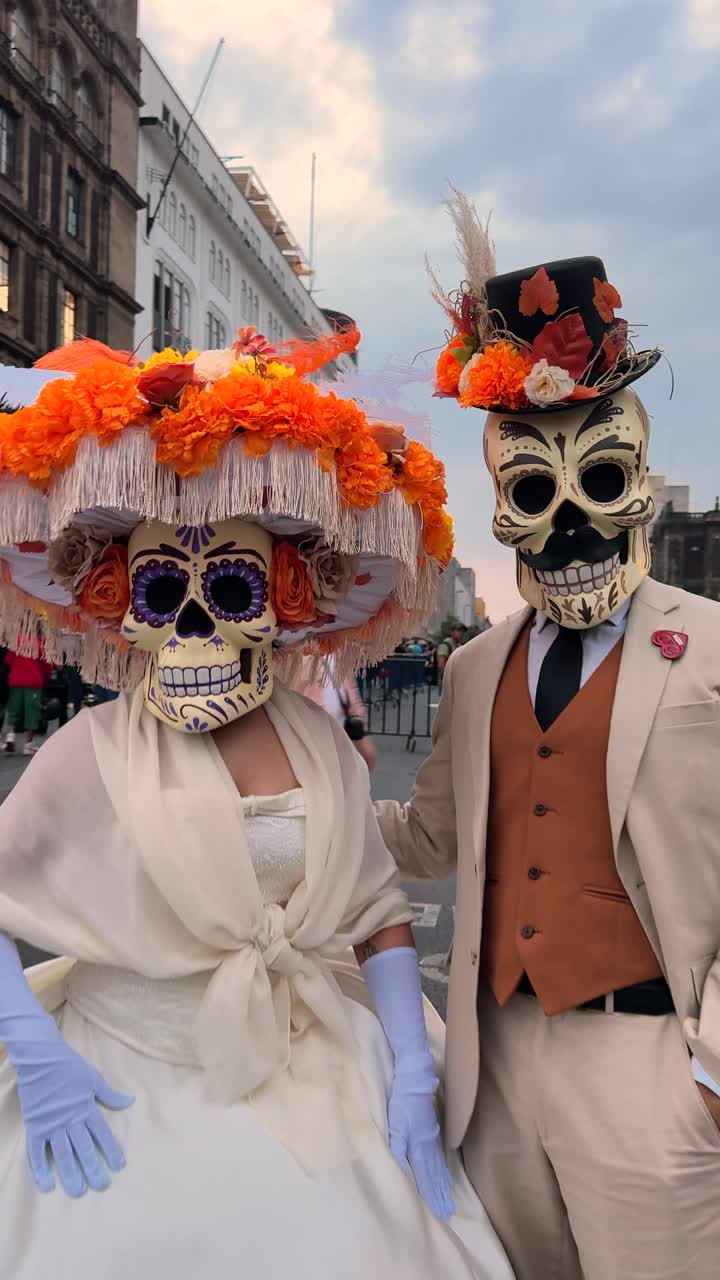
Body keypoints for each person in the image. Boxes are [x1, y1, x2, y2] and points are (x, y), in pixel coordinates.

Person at [0, 332, 512, 1280]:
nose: (193, 620)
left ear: (281, 600)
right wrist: (31, 1046)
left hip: (308, 1055)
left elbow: (376, 912)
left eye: (230, 585)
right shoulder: (88, 749)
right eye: (161, 589)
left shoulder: (320, 744)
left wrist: (408, 1061)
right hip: (122, 1075)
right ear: (123, 606)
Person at [377, 195, 720, 1280]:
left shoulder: (711, 647)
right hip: (496, 1062)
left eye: (601, 484)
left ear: (639, 491)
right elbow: (426, 836)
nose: (569, 522)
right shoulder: (476, 665)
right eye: (534, 492)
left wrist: (707, 1075)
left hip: (654, 1060)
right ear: (501, 503)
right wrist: (292, 774)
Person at [294, 655, 377, 771]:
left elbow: (351, 691)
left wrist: (362, 734)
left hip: (338, 738)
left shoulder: (336, 653)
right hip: (309, 740)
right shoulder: (296, 653)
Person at [3, 641, 51, 755]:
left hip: (16, 679)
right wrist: (46, 679)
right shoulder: (39, 644)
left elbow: (8, 661)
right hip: (33, 681)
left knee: (14, 710)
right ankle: (28, 745)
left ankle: (11, 737)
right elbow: (46, 665)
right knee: (32, 713)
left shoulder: (15, 641)